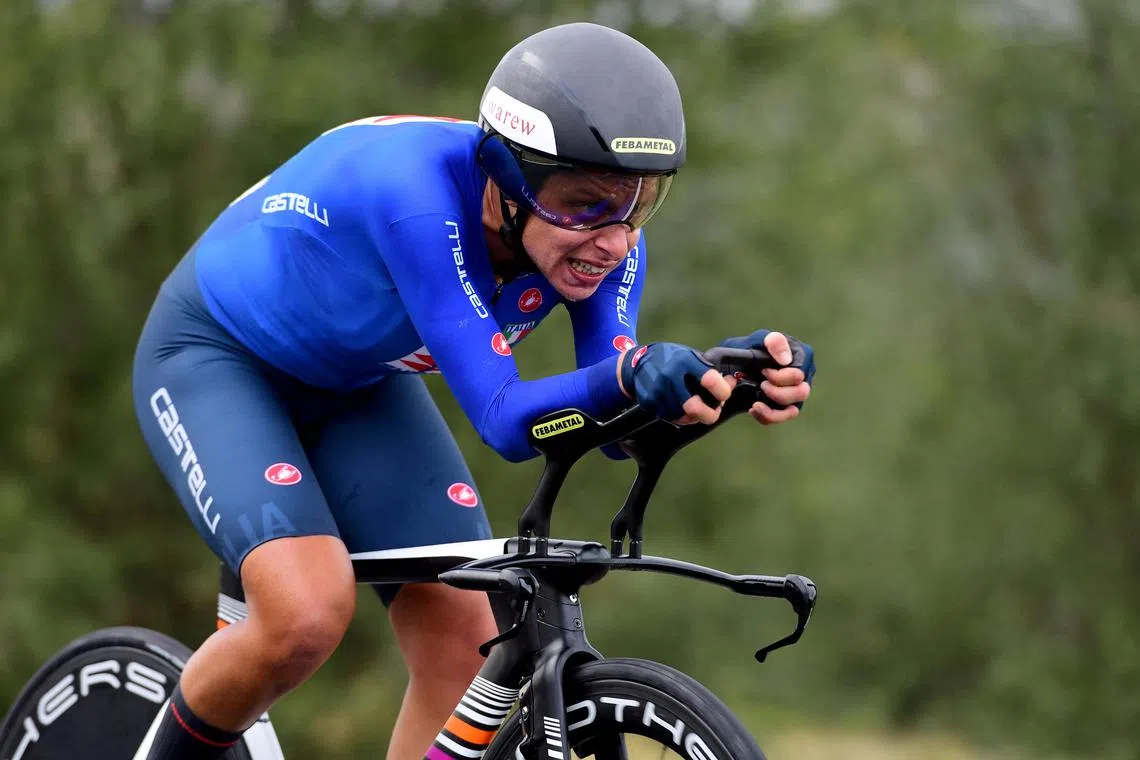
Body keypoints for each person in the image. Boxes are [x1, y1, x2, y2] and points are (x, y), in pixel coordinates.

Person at [131, 20, 815, 760]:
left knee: (469, 645)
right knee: (305, 614)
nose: (614, 240)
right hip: (218, 357)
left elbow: (613, 431)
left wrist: (712, 384)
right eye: (585, 203)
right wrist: (630, 375)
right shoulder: (419, 198)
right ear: (508, 180)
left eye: (638, 204)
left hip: (360, 382)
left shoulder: (602, 240)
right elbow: (503, 419)